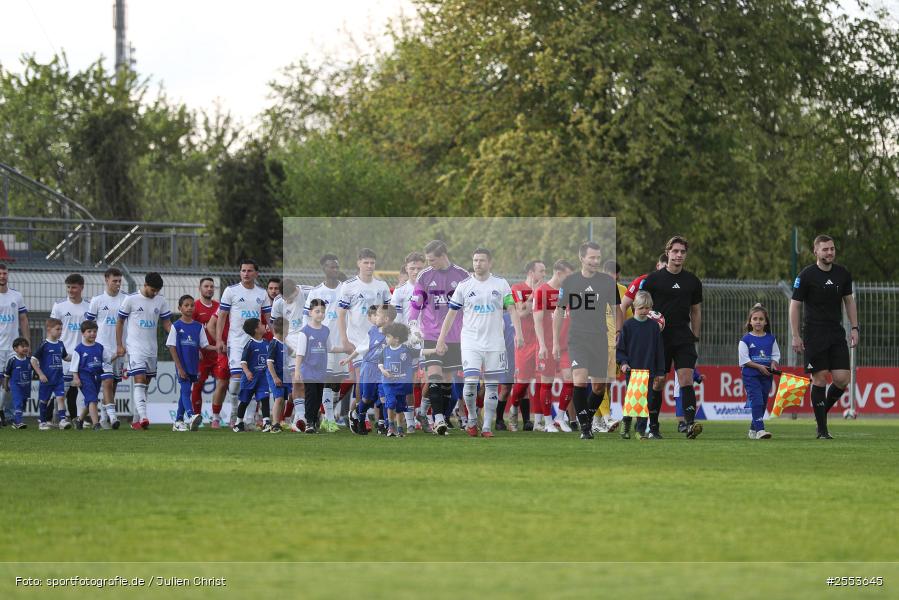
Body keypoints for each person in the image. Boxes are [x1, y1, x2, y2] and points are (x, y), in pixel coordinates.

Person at [437, 248, 523, 438]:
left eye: (482, 260)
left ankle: (486, 427)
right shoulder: (464, 285)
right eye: (475, 260)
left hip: (495, 343)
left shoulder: (501, 284)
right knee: (470, 383)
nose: (478, 264)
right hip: (470, 343)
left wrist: (519, 333)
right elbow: (451, 315)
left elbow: (512, 309)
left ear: (489, 262)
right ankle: (472, 420)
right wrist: (441, 339)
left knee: (492, 386)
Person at [789, 234, 858, 439]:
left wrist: (855, 328)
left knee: (842, 379)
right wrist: (795, 335)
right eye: (825, 249)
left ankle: (821, 413)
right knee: (819, 379)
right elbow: (794, 305)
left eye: (832, 248)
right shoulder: (806, 275)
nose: (830, 252)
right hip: (814, 333)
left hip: (836, 333)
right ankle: (822, 430)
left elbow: (849, 301)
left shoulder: (843, 274)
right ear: (816, 252)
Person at [553, 241, 623, 440]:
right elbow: (559, 312)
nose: (595, 261)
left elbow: (617, 308)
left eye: (598, 257)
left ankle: (587, 419)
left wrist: (618, 331)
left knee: (599, 387)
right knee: (580, 381)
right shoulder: (570, 282)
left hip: (600, 339)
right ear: (581, 258)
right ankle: (585, 428)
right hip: (577, 339)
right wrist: (556, 342)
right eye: (591, 257)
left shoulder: (607, 282)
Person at [640, 236, 703, 439]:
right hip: (659, 338)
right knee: (658, 381)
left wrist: (695, 335)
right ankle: (654, 427)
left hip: (683, 337)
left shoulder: (692, 281)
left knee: (686, 378)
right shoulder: (653, 279)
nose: (679, 255)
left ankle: (690, 424)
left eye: (682, 252)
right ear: (667, 252)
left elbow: (695, 311)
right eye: (675, 251)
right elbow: (641, 308)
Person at [407, 240, 470, 436]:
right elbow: (416, 303)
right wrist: (412, 325)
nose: (429, 263)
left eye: (432, 259)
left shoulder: (462, 275)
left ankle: (429, 414)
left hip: (455, 336)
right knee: (434, 376)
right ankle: (439, 419)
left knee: (446, 381)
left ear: (443, 255)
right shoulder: (425, 276)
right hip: (432, 335)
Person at [216, 259, 272, 428]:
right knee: (237, 379)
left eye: (249, 271)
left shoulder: (262, 293)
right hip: (237, 342)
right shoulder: (231, 291)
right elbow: (222, 316)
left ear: (256, 273)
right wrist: (219, 339)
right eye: (243, 270)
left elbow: (269, 318)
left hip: (256, 343)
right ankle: (234, 414)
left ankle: (248, 420)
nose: (246, 273)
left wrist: (274, 335)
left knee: (255, 379)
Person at [116, 272, 173, 430]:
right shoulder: (131, 299)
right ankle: (144, 416)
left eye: (157, 291)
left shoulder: (161, 300)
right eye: (152, 290)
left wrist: (177, 336)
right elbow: (119, 321)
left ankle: (136, 421)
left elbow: (167, 323)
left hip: (152, 349)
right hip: (135, 347)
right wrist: (119, 344)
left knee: (145, 385)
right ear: (145, 284)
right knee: (139, 380)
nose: (154, 293)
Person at [305, 255, 347, 430]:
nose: (335, 270)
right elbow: (307, 316)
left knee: (336, 381)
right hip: (323, 342)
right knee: (327, 378)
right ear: (324, 269)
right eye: (331, 267)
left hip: (342, 341)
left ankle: (326, 415)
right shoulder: (316, 292)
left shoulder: (345, 289)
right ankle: (329, 419)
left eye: (337, 267)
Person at [616, 291, 666, 439]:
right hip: (632, 371)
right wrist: (623, 363)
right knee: (632, 400)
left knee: (645, 402)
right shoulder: (628, 325)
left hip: (648, 371)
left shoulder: (653, 327)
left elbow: (659, 351)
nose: (645, 311)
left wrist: (660, 371)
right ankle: (625, 426)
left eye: (647, 308)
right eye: (641, 308)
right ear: (634, 307)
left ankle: (640, 430)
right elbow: (621, 349)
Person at [534, 259, 575, 432]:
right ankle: (548, 421)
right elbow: (537, 320)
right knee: (547, 383)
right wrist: (542, 345)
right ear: (559, 273)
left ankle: (560, 418)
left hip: (566, 345)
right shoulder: (542, 291)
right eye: (569, 275)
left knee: (570, 380)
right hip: (547, 345)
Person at [84, 267, 125, 429]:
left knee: (113, 384)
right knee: (107, 381)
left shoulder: (126, 299)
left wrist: (123, 344)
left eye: (120, 281)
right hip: (102, 349)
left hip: (120, 349)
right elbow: (88, 325)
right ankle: (113, 418)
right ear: (106, 280)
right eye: (114, 280)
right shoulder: (97, 301)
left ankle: (103, 418)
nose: (117, 284)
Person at [507, 260, 545, 431]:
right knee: (522, 384)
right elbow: (521, 312)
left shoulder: (546, 290)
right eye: (541, 271)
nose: (544, 274)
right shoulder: (517, 288)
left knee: (539, 382)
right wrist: (533, 295)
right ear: (531, 271)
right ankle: (514, 411)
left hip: (541, 342)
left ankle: (538, 422)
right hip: (523, 342)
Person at [391, 251, 426, 431]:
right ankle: (411, 421)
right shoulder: (400, 291)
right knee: (410, 383)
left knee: (430, 381)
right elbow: (396, 320)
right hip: (408, 343)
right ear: (406, 269)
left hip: (428, 341)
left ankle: (424, 412)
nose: (416, 271)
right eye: (412, 268)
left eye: (420, 268)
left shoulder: (430, 288)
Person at [293, 299, 340, 434]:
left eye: (322, 312)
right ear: (310, 313)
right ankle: (309, 423)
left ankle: (314, 421)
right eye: (317, 311)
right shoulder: (305, 331)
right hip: (308, 371)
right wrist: (297, 371)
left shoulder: (326, 330)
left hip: (321, 371)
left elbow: (330, 348)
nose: (320, 314)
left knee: (318, 397)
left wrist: (347, 349)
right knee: (311, 396)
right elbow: (300, 353)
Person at [166, 295, 210, 432]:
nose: (189, 307)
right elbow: (171, 346)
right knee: (185, 390)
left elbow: (204, 345)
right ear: (180, 308)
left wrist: (218, 347)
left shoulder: (198, 326)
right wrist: (179, 368)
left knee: (185, 392)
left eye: (192, 305)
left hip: (193, 365)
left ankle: (178, 421)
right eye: (186, 305)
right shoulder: (176, 326)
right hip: (182, 366)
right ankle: (191, 416)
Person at [51, 273, 90, 426]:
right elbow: (53, 329)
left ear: (81, 287)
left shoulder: (89, 306)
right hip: (64, 355)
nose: (71, 290)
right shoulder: (59, 306)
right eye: (68, 287)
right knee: (63, 389)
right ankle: (56, 417)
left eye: (74, 287)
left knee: (83, 387)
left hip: (83, 354)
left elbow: (93, 330)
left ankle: (80, 418)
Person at [740, 303, 780, 440]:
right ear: (750, 321)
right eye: (755, 319)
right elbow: (744, 360)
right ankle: (760, 431)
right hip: (751, 376)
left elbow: (775, 355)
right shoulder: (745, 340)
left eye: (761, 319)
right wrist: (759, 367)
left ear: (766, 322)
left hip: (766, 376)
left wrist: (774, 364)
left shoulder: (771, 338)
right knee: (756, 400)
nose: (758, 321)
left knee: (762, 402)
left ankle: (753, 429)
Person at [0, 263, 29, 426]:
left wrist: (26, 343)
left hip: (13, 348)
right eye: (0, 273)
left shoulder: (16, 296)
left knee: (12, 383)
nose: (2, 276)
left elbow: (24, 320)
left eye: (4, 273)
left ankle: (10, 416)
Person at [379, 322, 417, 437]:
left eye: (388, 336)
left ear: (396, 339)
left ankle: (400, 428)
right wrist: (383, 371)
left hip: (402, 383)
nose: (386, 339)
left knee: (400, 406)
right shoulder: (385, 350)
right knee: (391, 402)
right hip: (388, 383)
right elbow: (380, 363)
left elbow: (420, 352)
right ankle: (391, 426)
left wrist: (434, 350)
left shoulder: (406, 350)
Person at [31, 318, 70, 430]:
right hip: (47, 378)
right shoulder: (44, 344)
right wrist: (41, 374)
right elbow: (33, 360)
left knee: (61, 398)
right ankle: (42, 422)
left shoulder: (61, 344)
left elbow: (65, 357)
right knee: (44, 400)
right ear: (49, 329)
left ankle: (62, 420)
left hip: (58, 378)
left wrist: (77, 356)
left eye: (61, 329)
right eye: (57, 329)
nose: (60, 331)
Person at [233, 318, 271, 432]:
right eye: (261, 324)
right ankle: (238, 422)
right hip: (250, 379)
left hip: (262, 378)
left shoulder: (266, 343)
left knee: (265, 398)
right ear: (256, 329)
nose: (264, 325)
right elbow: (243, 361)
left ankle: (266, 422)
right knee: (244, 401)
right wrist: (247, 372)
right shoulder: (250, 344)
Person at [191, 277, 221, 421]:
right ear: (200, 288)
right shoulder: (194, 307)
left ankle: (216, 417)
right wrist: (196, 350)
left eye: (211, 286)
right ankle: (197, 417)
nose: (209, 289)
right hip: (201, 355)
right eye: (206, 286)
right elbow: (191, 331)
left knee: (223, 383)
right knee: (197, 385)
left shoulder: (219, 306)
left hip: (217, 354)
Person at [70, 321, 105, 430]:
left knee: (90, 400)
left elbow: (106, 360)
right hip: (85, 377)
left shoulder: (100, 347)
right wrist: (76, 378)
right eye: (89, 331)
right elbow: (74, 366)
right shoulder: (79, 349)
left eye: (94, 331)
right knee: (93, 400)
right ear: (83, 333)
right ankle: (96, 424)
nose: (92, 334)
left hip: (97, 377)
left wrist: (117, 355)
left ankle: (79, 420)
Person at [266, 317, 290, 433]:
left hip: (284, 375)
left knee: (284, 399)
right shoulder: (274, 344)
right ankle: (274, 424)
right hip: (275, 375)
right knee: (279, 398)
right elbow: (269, 362)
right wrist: (275, 377)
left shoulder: (285, 344)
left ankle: (279, 421)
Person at [3, 337, 32, 429]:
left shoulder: (30, 360)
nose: (25, 348)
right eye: (22, 346)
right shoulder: (12, 361)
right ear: (15, 349)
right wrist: (6, 385)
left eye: (26, 346)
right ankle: (18, 422)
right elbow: (7, 374)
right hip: (16, 387)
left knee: (22, 404)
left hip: (26, 387)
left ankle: (16, 422)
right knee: (18, 403)